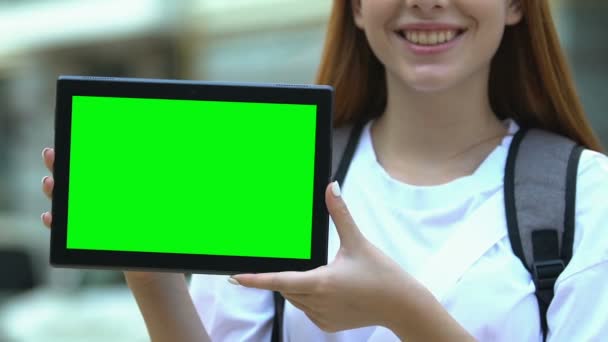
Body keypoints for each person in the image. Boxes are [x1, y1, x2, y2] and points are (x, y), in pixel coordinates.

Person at [41, 0, 608, 340]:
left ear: (515, 5)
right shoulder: (268, 167)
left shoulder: (586, 195)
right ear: (357, 6)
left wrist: (402, 313)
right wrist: (148, 271)